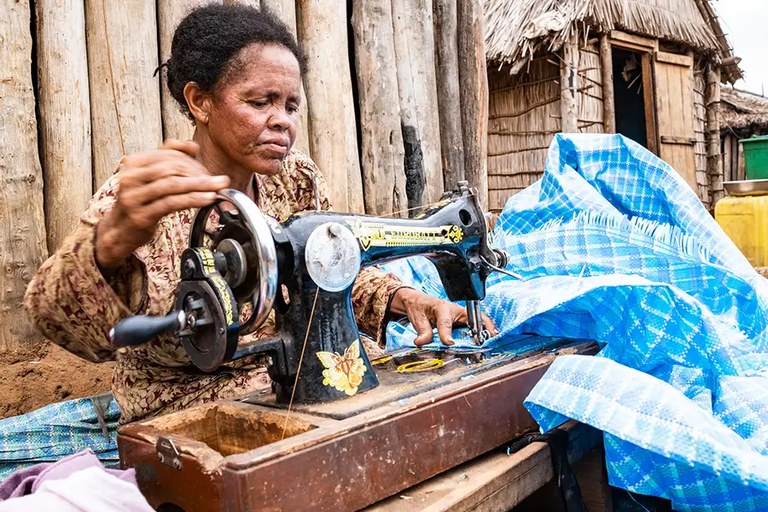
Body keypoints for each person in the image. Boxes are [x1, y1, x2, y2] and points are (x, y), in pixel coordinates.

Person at [24, 3, 495, 424]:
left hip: (307, 372)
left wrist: (407, 298)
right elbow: (52, 316)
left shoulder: (297, 179)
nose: (283, 121)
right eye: (260, 102)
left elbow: (328, 270)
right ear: (199, 101)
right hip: (194, 403)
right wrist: (109, 244)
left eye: (291, 105)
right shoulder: (147, 197)